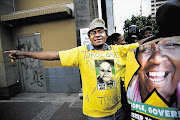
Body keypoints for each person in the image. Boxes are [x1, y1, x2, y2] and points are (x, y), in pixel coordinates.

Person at [5, 18, 147, 120]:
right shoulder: (81, 52)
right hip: (96, 114)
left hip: (118, 110)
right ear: (89, 37)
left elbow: (139, 45)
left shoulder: (117, 50)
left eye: (100, 31)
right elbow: (54, 55)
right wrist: (24, 53)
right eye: (93, 33)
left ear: (106, 34)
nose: (97, 35)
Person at [127, 0, 180, 108]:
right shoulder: (136, 49)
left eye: (171, 46)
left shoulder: (138, 48)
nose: (156, 59)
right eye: (146, 50)